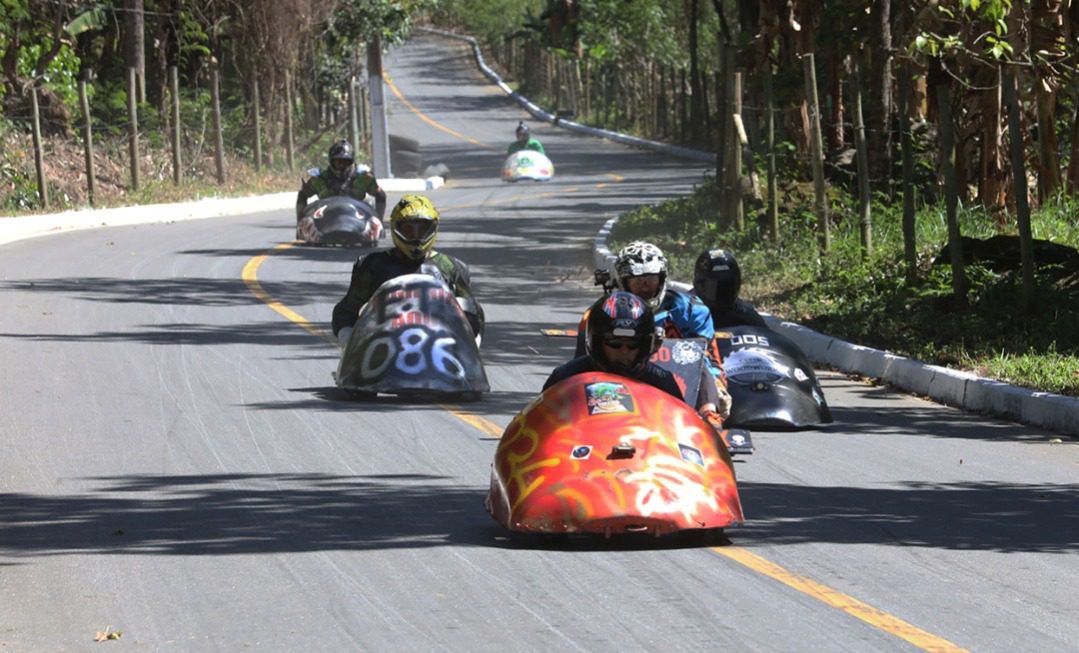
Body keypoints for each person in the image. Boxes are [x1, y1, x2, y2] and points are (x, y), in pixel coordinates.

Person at [576, 240, 733, 418]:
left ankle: (710, 420)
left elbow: (709, 360)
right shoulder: (598, 313)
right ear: (622, 282)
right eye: (638, 281)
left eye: (650, 280)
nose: (644, 286)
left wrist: (716, 387)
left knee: (714, 390)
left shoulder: (692, 310)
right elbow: (583, 362)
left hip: (675, 386)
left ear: (662, 280)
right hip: (612, 387)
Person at [545, 292, 728, 430]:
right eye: (615, 344)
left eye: (632, 346)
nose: (624, 353)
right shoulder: (565, 377)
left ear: (645, 345)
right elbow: (537, 423)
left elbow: (682, 429)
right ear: (597, 342)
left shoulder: (662, 381)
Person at [331, 194, 482, 344]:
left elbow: (473, 314)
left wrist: (471, 336)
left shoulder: (451, 267)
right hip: (384, 351)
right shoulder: (372, 264)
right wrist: (347, 336)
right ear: (395, 228)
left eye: (422, 229)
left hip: (440, 350)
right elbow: (348, 310)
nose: (416, 236)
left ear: (433, 229)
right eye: (409, 230)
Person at [296, 139, 387, 222]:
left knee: (369, 204)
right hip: (327, 221)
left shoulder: (362, 177)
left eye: (346, 162)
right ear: (332, 162)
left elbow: (380, 194)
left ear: (351, 162)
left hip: (356, 221)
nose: (342, 165)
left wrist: (379, 220)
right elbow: (302, 195)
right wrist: (300, 222)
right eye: (339, 162)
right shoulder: (320, 179)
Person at [693, 248, 768, 329]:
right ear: (700, 284)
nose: (722, 293)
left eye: (726, 286)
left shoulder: (745, 313)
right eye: (716, 287)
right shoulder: (685, 313)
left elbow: (768, 337)